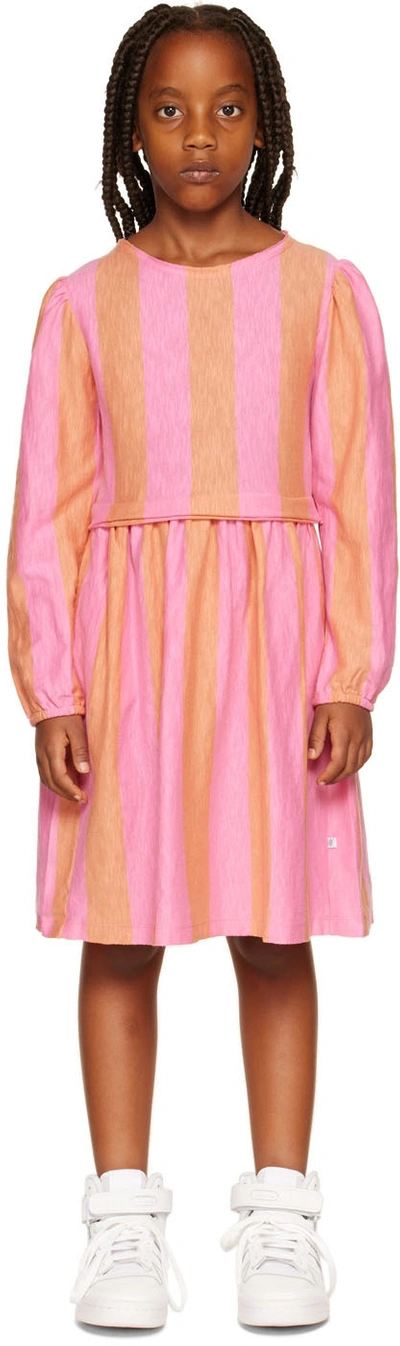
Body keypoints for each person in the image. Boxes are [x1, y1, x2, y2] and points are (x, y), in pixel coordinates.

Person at [6, 2, 398, 1332]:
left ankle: (283, 1208)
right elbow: (47, 510)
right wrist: (53, 686)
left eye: (228, 107)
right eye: (169, 109)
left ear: (266, 124)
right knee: (121, 932)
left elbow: (359, 493)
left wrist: (350, 670)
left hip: (278, 660)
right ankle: (121, 1214)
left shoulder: (325, 291)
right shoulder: (82, 304)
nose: (198, 135)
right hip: (129, 661)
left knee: (274, 930)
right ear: (131, 126)